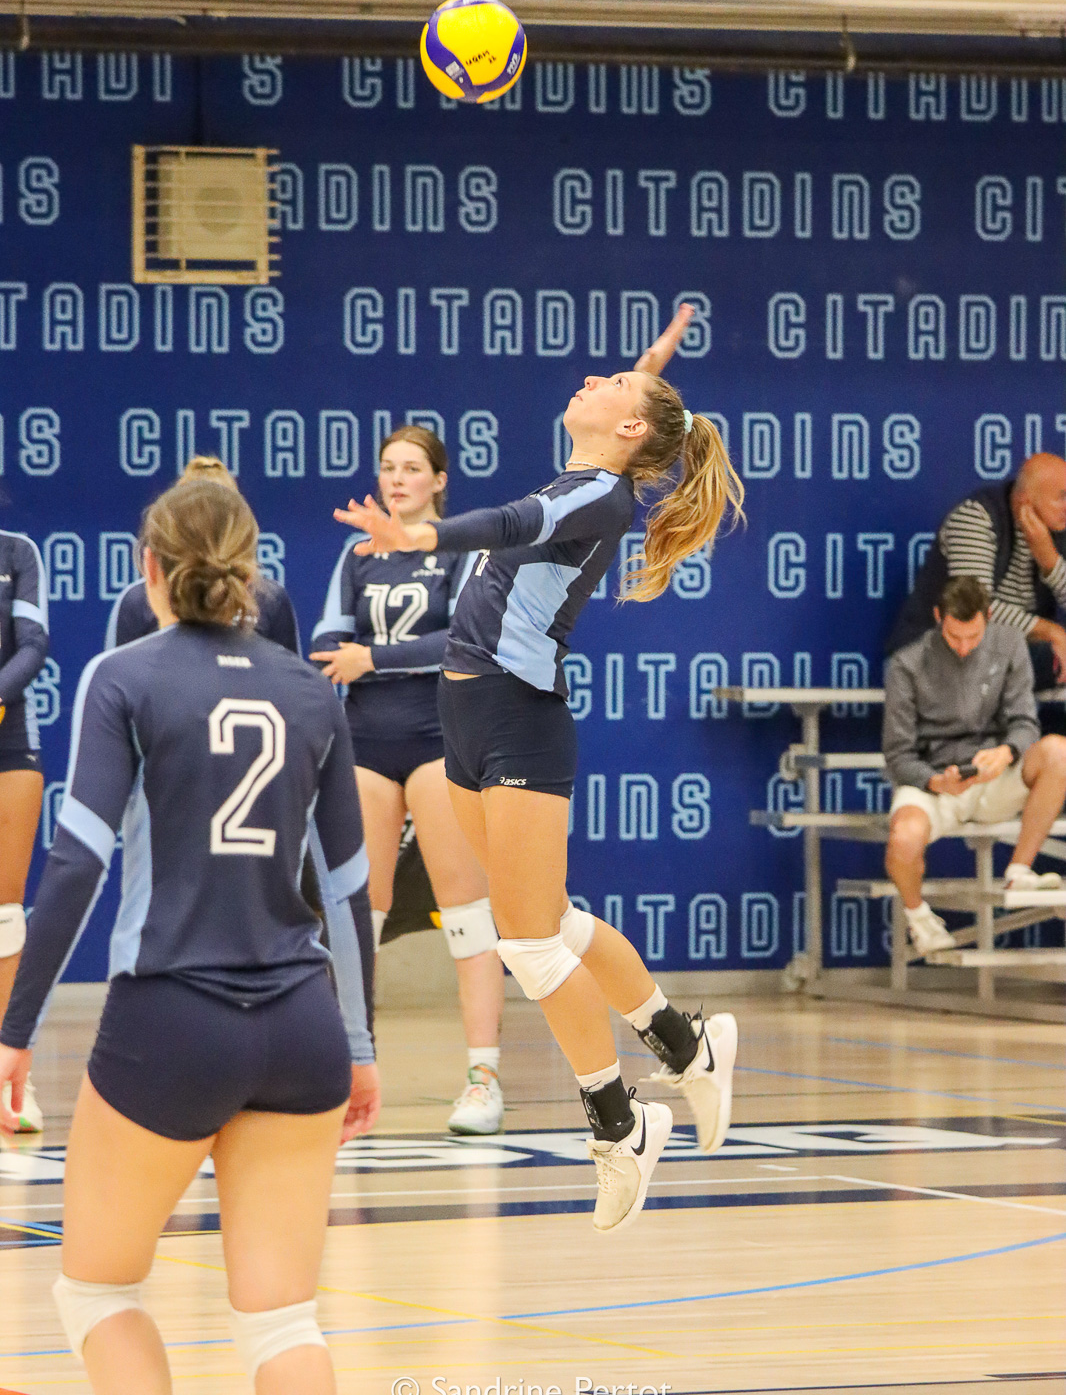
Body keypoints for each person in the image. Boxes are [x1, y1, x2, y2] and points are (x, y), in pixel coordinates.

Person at [333, 305, 744, 1234]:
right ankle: (685, 1045)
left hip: (520, 722)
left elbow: (510, 519)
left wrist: (419, 540)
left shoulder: (595, 496)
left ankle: (619, 1120)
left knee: (525, 943)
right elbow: (635, 424)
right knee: (549, 921)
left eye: (613, 385)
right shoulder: (596, 469)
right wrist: (655, 366)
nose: (593, 379)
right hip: (466, 713)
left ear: (629, 428)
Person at [0, 479, 378, 1395]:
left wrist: (14, 1029)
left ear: (149, 569)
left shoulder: (124, 676)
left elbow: (77, 864)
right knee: (283, 1318)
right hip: (302, 1027)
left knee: (96, 1289)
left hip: (169, 1019)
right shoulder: (309, 690)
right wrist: (363, 1046)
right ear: (252, 570)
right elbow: (346, 890)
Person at [310, 427, 506, 1134]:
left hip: (437, 739)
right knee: (360, 910)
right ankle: (347, 1068)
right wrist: (362, 658)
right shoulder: (356, 553)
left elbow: (461, 640)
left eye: (412, 468)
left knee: (465, 911)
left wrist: (375, 658)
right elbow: (329, 645)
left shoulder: (458, 548)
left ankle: (483, 1078)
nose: (398, 479)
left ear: (438, 481)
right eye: (388, 467)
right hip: (365, 741)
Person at [884, 575, 1066, 955]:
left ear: (987, 617)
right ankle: (919, 918)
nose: (965, 647)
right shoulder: (906, 664)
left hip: (995, 775)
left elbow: (1024, 722)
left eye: (973, 636)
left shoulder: (1010, 644)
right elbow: (899, 755)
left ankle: (1019, 871)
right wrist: (935, 781)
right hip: (936, 782)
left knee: (1057, 752)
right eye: (954, 637)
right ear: (938, 618)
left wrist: (1007, 753)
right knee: (902, 839)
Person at [886, 453, 1066, 685]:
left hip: (1000, 657)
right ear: (1025, 502)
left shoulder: (1059, 531)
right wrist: (1052, 631)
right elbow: (974, 610)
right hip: (935, 652)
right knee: (1044, 658)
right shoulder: (976, 517)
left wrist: (1049, 560)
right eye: (1061, 497)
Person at [106, 455, 300, 655]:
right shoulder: (137, 600)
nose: (207, 525)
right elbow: (120, 673)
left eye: (220, 513)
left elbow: (289, 675)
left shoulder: (270, 599)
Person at [0, 524, 49, 1133]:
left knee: (5, 911)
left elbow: (33, 645)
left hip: (9, 744)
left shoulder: (18, 551)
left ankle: (12, 1078)